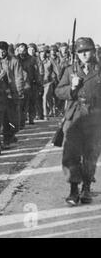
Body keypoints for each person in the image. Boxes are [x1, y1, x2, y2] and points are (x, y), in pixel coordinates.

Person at [55, 37, 101, 206]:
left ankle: (87, 187)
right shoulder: (70, 70)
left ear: (94, 51)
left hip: (96, 116)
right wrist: (72, 88)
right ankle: (73, 190)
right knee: (71, 153)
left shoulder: (99, 69)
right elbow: (58, 91)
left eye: (87, 51)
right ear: (76, 54)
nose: (84, 54)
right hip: (75, 115)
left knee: (91, 153)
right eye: (80, 52)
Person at [0, 41, 24, 149]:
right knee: (2, 118)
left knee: (12, 118)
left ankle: (10, 135)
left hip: (12, 94)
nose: (1, 54)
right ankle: (5, 139)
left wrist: (19, 92)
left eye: (3, 52)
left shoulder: (14, 61)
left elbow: (19, 77)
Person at [18, 43, 42, 127]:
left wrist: (38, 83)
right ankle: (22, 121)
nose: (22, 52)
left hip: (31, 83)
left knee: (31, 102)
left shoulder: (32, 59)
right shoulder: (16, 59)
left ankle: (31, 118)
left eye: (23, 50)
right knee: (22, 104)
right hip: (20, 84)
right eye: (20, 51)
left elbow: (36, 71)